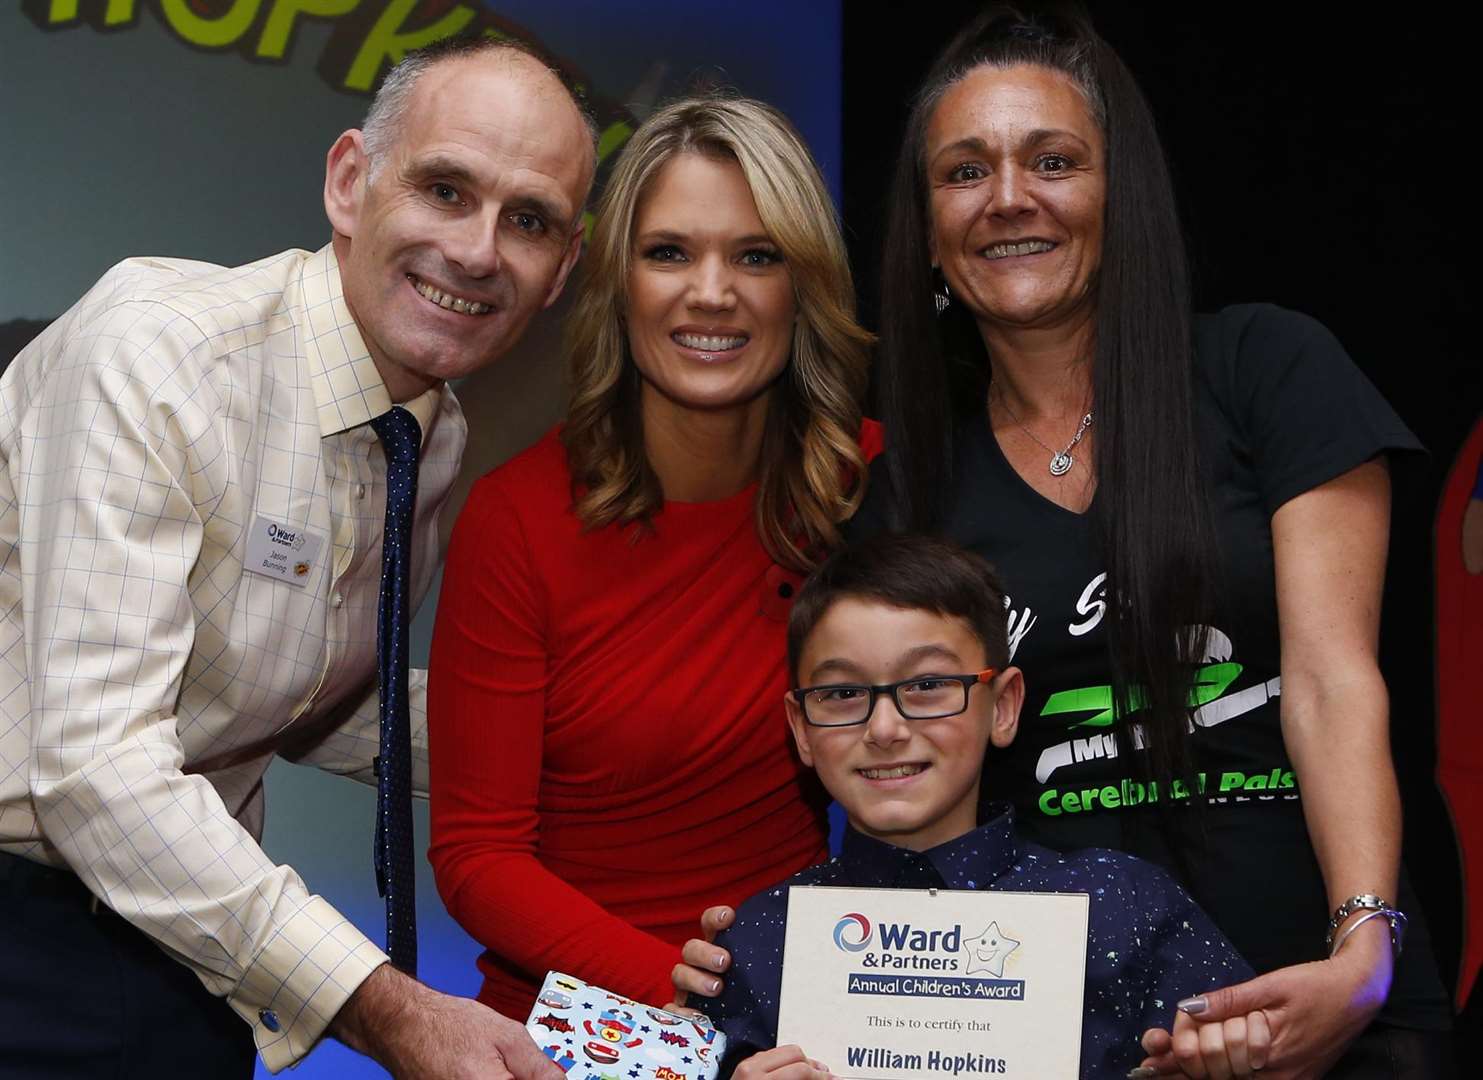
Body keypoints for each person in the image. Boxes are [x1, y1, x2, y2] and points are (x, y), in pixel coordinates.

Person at [676, 6, 1454, 1078]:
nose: (1007, 199)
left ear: (1116, 191)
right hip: (1067, 1042)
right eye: (963, 172)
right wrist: (776, 953)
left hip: (1313, 1004)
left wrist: (1360, 951)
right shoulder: (907, 482)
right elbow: (893, 764)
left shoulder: (1265, 370)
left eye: (1052, 160)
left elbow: (1330, 682)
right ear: (928, 225)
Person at [0, 36, 594, 1079]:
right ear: (350, 182)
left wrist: (588, 738)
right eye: (445, 189)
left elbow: (308, 694)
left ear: (561, 272)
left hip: (180, 935)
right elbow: (94, 767)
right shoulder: (161, 353)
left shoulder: (429, 433)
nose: (478, 250)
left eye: (529, 220)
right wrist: (390, 1010)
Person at [426, 94, 878, 1020]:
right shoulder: (518, 517)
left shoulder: (866, 485)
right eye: (668, 252)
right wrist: (679, 990)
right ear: (615, 279)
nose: (710, 292)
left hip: (800, 1016)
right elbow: (478, 856)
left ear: (805, 283)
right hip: (576, 1024)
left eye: (756, 255)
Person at [708, 534, 1253, 1079]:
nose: (884, 728)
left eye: (928, 684)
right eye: (843, 694)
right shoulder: (755, 942)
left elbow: (1251, 1055)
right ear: (801, 728)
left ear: (1004, 707)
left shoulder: (1127, 908)